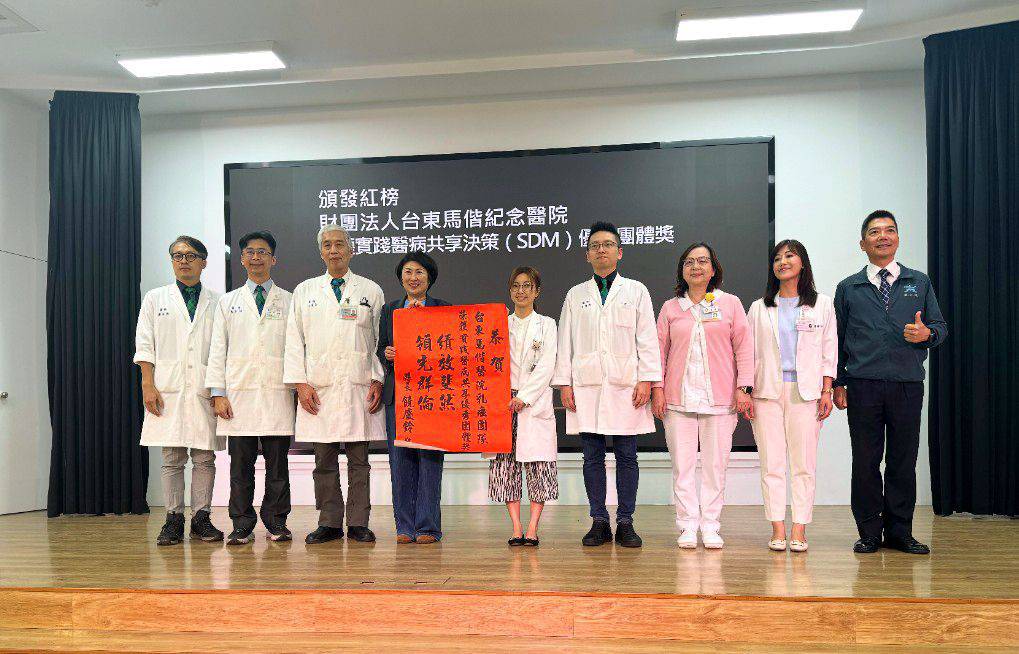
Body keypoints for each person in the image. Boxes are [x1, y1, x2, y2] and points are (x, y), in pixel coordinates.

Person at [833, 210, 947, 555]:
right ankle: (869, 532)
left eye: (889, 230)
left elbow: (939, 327)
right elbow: (836, 340)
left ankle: (900, 532)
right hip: (863, 385)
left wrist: (927, 334)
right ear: (862, 243)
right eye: (874, 232)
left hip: (907, 384)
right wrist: (838, 382)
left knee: (902, 460)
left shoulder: (919, 282)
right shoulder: (849, 287)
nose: (882, 236)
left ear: (897, 238)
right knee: (865, 461)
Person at [553, 221, 662, 548]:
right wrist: (564, 383)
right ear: (587, 255)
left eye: (608, 244)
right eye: (595, 246)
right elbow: (565, 341)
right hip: (586, 386)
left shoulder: (636, 291)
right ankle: (599, 520)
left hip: (627, 386)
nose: (601, 250)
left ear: (619, 252)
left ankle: (625, 521)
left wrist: (647, 379)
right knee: (591, 457)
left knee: (627, 456)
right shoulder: (575, 294)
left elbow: (647, 338)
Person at [283, 224, 386, 545]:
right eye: (327, 245)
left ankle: (358, 522)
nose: (333, 250)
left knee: (359, 461)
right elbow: (293, 341)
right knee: (323, 461)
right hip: (319, 389)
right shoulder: (305, 291)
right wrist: (300, 384)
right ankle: (328, 522)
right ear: (321, 252)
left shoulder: (370, 290)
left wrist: (378, 378)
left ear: (350, 250)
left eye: (339, 244)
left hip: (358, 386)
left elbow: (380, 341)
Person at [651, 242, 753, 549]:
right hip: (677, 400)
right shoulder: (671, 308)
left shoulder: (730, 304)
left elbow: (744, 347)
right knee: (682, 467)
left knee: (715, 467)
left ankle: (710, 525)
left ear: (713, 268)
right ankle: (686, 525)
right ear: (682, 270)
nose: (696, 267)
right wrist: (657, 389)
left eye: (703, 261)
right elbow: (658, 352)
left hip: (720, 400)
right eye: (689, 262)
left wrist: (744, 387)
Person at [747, 239, 837, 552]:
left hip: (806, 392)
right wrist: (745, 390)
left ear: (802, 263)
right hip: (766, 393)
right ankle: (777, 527)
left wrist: (827, 390)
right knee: (771, 463)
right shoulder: (759, 308)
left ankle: (799, 528)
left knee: (803, 465)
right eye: (777, 258)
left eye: (789, 256)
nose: (782, 262)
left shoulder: (822, 304)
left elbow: (829, 350)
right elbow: (747, 353)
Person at [134, 235, 224, 546]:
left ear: (204, 262)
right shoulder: (155, 298)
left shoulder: (218, 302)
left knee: (204, 457)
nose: (183, 260)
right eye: (177, 255)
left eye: (190, 255)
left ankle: (201, 518)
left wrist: (218, 390)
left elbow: (221, 350)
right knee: (172, 457)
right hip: (167, 388)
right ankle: (173, 518)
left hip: (203, 388)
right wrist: (148, 384)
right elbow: (145, 344)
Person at [205, 231, 294, 545]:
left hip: (277, 394)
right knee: (240, 468)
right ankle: (241, 524)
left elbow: (297, 349)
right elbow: (217, 349)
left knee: (278, 466)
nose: (256, 257)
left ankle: (276, 521)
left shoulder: (289, 300)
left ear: (273, 259)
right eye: (250, 252)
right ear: (242, 259)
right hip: (238, 396)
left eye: (263, 252)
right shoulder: (228, 302)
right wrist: (218, 393)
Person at [376, 252, 451, 544]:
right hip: (400, 394)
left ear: (429, 277)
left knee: (430, 459)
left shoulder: (443, 309)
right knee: (400, 460)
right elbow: (381, 347)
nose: (413, 278)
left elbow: (453, 350)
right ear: (401, 277)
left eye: (419, 272)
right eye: (408, 272)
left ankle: (428, 527)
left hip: (433, 395)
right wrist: (387, 353)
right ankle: (405, 527)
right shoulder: (390, 310)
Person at [484, 266, 559, 546]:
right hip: (503, 402)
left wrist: (524, 397)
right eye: (516, 286)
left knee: (539, 466)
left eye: (527, 286)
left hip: (533, 402)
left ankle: (532, 528)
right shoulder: (499, 324)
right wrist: (504, 395)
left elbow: (547, 365)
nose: (521, 291)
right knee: (506, 466)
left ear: (537, 291)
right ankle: (516, 527)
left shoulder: (547, 324)